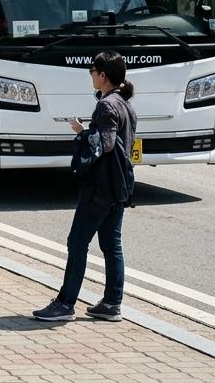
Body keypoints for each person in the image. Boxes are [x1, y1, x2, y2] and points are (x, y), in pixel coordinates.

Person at [33, 51, 137, 322]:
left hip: (100, 188)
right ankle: (112, 303)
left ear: (103, 75)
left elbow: (106, 143)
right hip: (119, 185)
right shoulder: (126, 104)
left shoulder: (106, 105)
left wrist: (83, 133)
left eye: (92, 70)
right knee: (111, 244)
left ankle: (65, 303)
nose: (90, 75)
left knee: (77, 242)